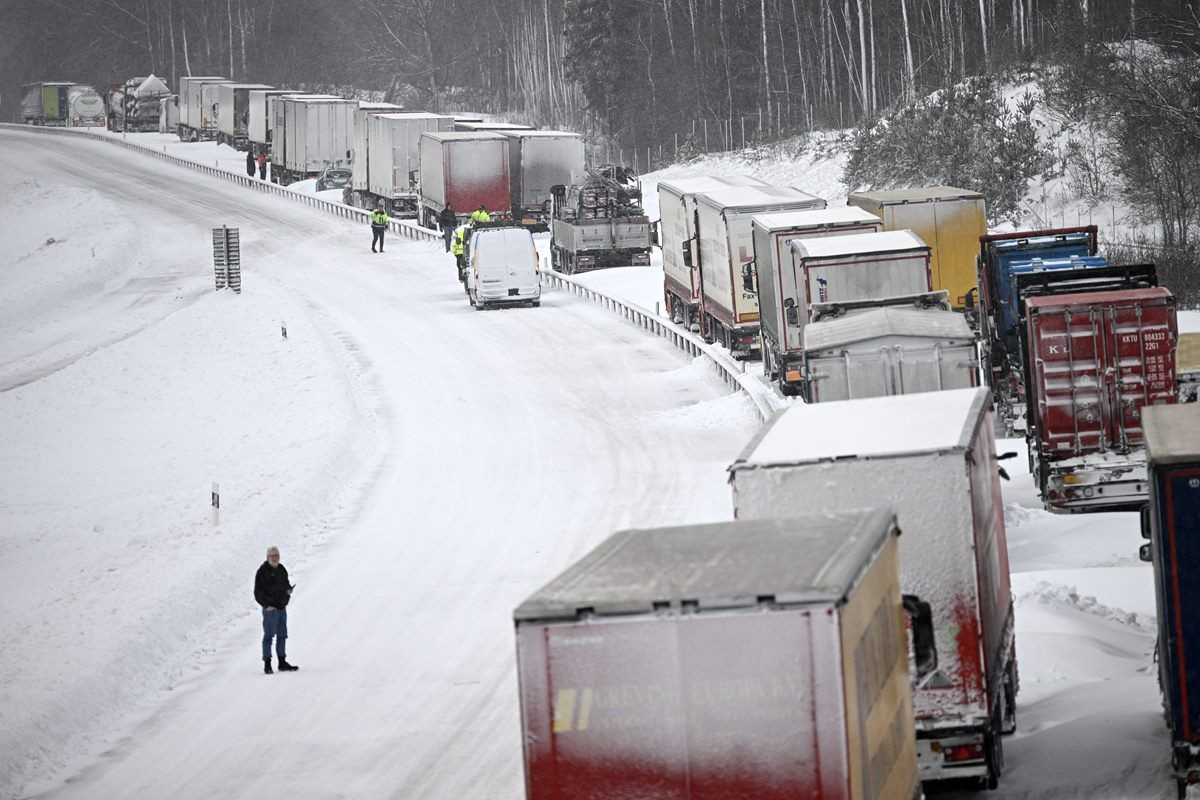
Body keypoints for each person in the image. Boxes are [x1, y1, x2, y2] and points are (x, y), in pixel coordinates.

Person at [254, 546, 298, 674]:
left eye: (276, 555)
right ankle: (267, 664)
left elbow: (285, 584)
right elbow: (258, 593)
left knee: (282, 635)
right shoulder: (262, 572)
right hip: (270, 611)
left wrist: (288, 591)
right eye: (272, 556)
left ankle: (282, 662)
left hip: (281, 608)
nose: (274, 558)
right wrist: (267, 605)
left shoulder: (281, 569)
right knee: (269, 636)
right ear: (267, 557)